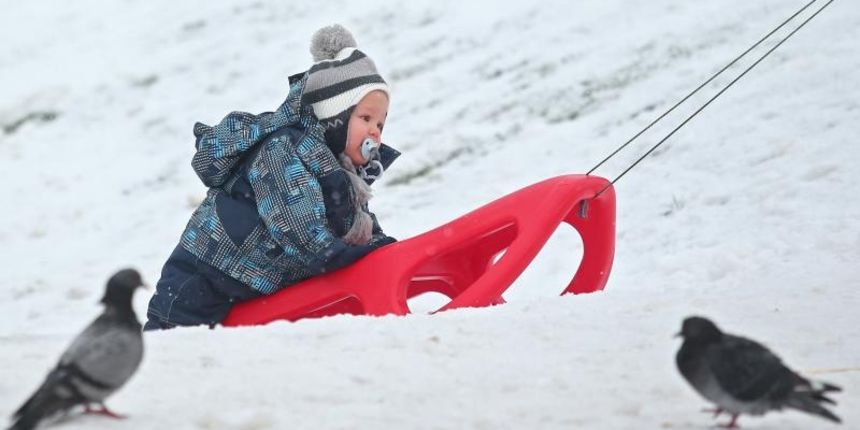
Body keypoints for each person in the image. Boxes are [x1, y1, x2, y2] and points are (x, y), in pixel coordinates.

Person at [144, 24, 399, 330]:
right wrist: (340, 256)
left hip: (254, 285)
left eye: (381, 125)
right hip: (206, 279)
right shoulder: (285, 150)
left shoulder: (344, 175)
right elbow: (295, 225)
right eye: (366, 118)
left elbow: (355, 224)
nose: (375, 131)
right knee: (172, 347)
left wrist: (380, 247)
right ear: (333, 120)